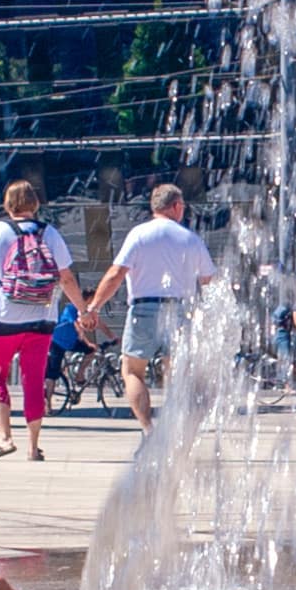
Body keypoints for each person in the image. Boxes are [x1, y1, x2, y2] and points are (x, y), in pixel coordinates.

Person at [0, 177, 75, 461]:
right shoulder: (50, 233)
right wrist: (83, 309)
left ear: (8, 203)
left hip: (3, 318)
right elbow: (66, 278)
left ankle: (4, 437)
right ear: (35, 203)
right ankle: (32, 446)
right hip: (42, 319)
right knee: (33, 380)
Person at [89, 179, 218, 422]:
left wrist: (93, 307)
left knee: (133, 371)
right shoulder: (190, 239)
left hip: (143, 309)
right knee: (177, 372)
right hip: (180, 310)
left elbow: (116, 274)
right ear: (177, 206)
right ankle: (173, 428)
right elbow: (207, 278)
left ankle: (148, 429)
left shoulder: (139, 234)